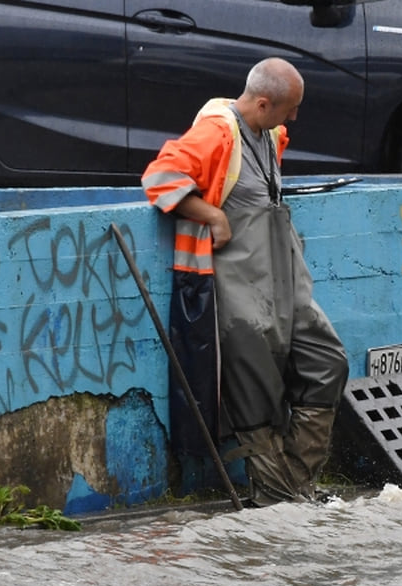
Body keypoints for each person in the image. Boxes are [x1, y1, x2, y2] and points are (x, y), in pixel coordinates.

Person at [142, 57, 348, 506]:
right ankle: (278, 501)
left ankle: (293, 483)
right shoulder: (217, 133)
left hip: (284, 283)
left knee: (327, 362)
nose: (294, 118)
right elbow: (159, 177)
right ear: (261, 102)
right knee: (256, 397)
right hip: (237, 291)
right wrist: (211, 214)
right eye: (288, 108)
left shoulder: (270, 133)